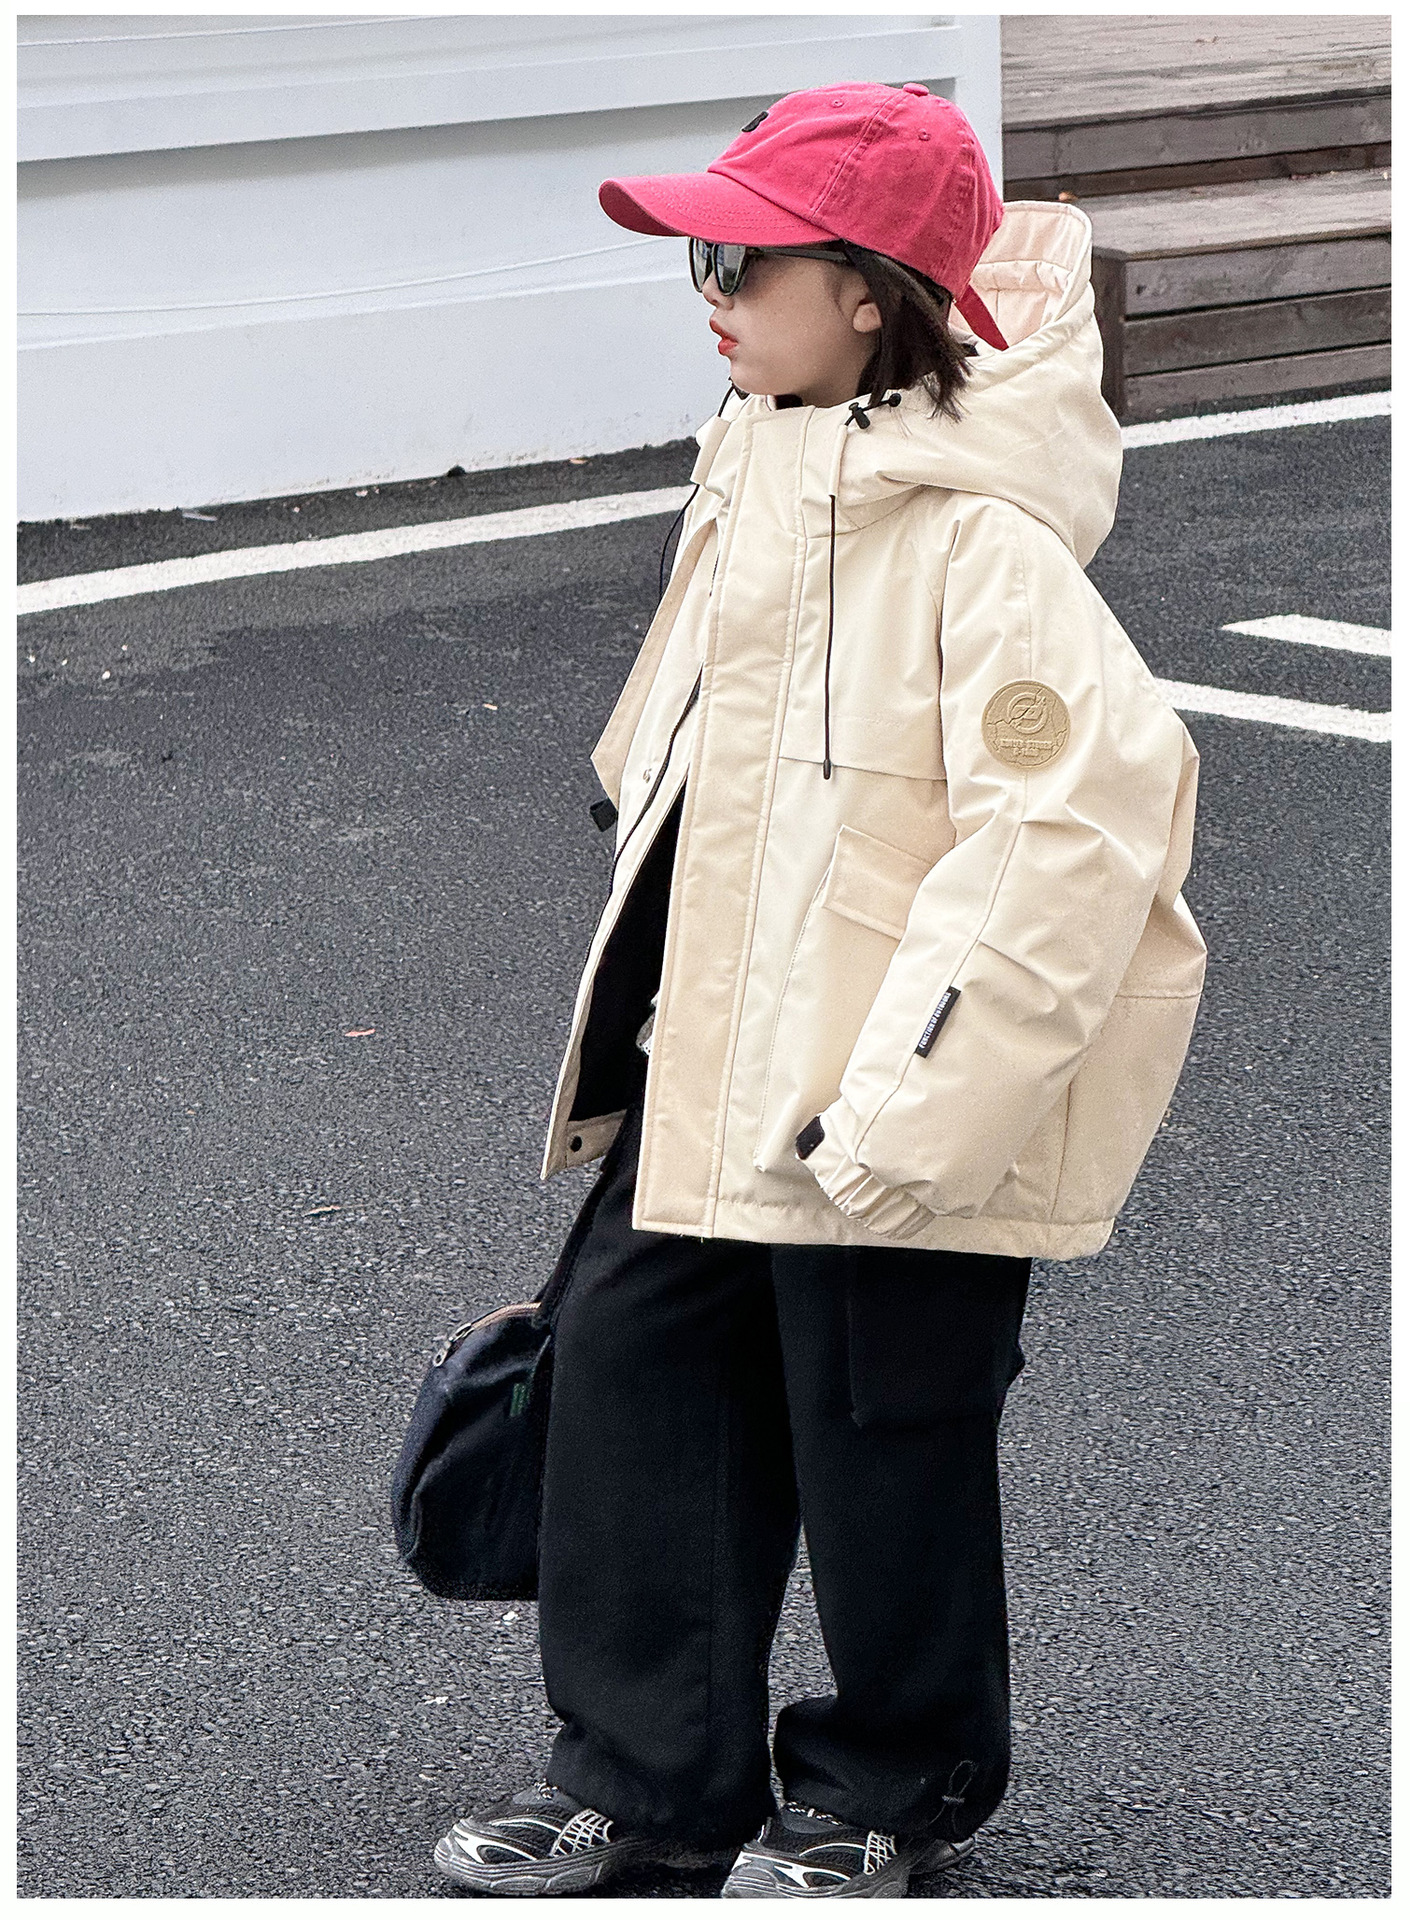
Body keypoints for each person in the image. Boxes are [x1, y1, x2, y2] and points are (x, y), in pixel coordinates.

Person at [433, 81, 1206, 1899]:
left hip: (891, 1092)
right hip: (717, 1058)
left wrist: (908, 1109)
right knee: (634, 1401)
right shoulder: (762, 462)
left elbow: (1069, 842)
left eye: (738, 260)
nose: (704, 294)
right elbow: (669, 746)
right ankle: (646, 1781)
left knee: (886, 1454)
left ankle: (884, 1791)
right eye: (696, 259)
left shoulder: (980, 543)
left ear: (868, 291)